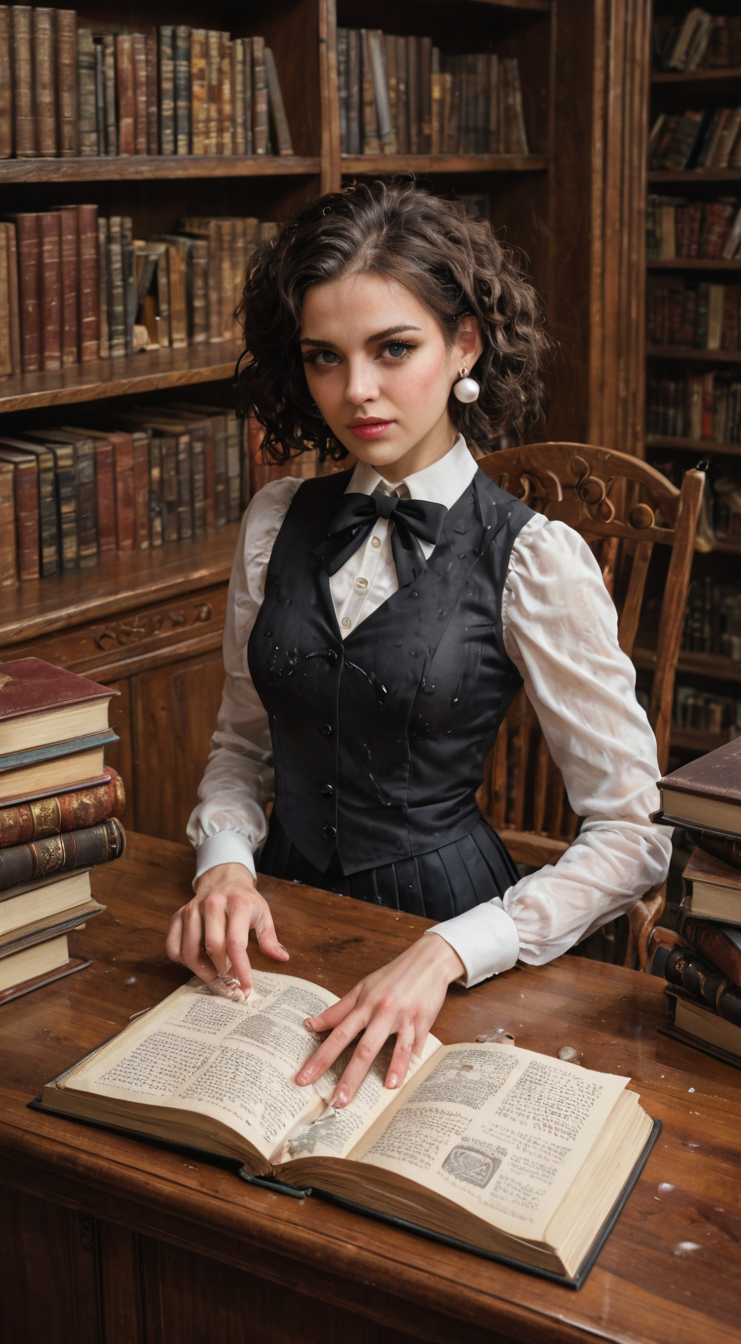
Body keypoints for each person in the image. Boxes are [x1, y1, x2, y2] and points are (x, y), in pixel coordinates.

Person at [166, 179, 671, 1109]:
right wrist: (225, 866)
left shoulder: (536, 559)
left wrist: (449, 951)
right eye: (326, 358)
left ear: (464, 344)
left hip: (451, 938)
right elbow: (242, 748)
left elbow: (634, 836)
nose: (356, 391)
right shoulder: (277, 519)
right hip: (274, 921)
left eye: (393, 349)